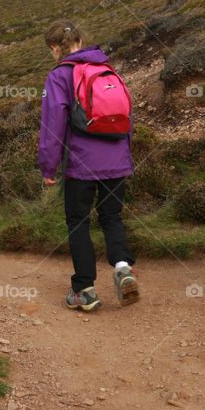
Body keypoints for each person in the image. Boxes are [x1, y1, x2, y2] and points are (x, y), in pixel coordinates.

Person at [38, 20, 139, 313]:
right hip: (117, 159)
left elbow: (52, 126)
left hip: (82, 163)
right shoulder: (107, 68)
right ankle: (123, 268)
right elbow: (126, 115)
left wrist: (48, 167)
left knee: (78, 221)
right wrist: (125, 155)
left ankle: (84, 290)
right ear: (81, 41)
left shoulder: (59, 76)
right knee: (112, 216)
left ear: (55, 48)